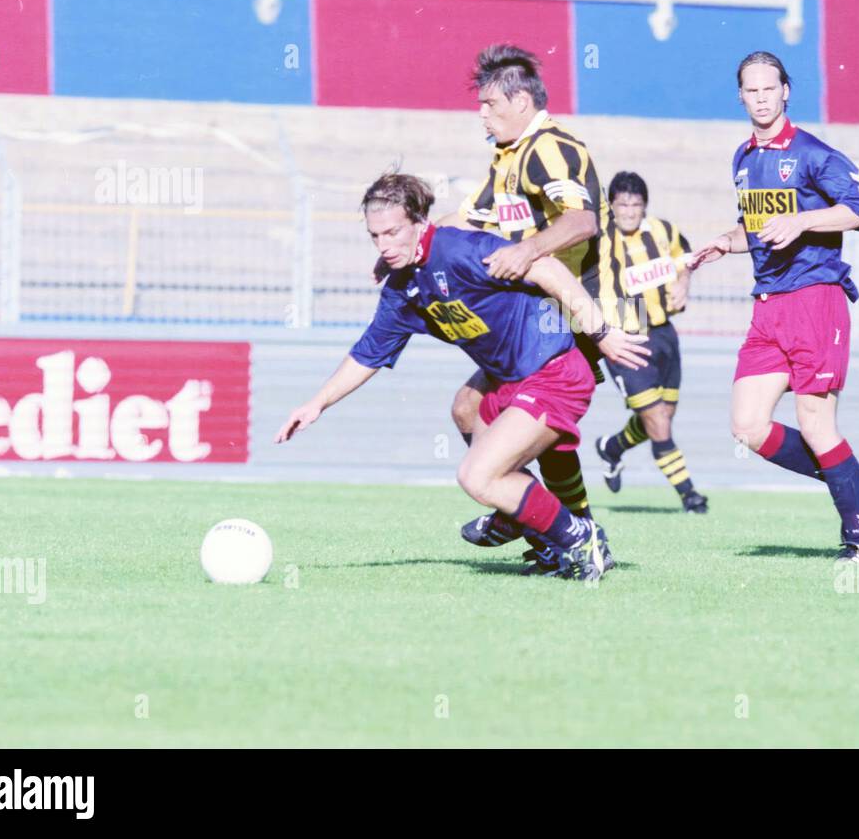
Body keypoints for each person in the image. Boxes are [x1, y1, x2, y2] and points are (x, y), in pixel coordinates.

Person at [278, 171, 648, 582]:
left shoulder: (460, 251)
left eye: (392, 232)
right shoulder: (403, 290)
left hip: (554, 371)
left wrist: (600, 331)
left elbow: (545, 268)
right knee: (466, 407)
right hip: (507, 377)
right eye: (375, 236)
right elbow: (367, 354)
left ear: (419, 221)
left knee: (477, 476)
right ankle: (523, 517)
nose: (384, 245)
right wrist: (317, 403)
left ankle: (578, 536)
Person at [688, 51, 859, 563]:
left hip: (815, 300)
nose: (760, 98)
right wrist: (724, 243)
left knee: (817, 424)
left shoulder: (814, 153)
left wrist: (802, 221)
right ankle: (850, 478)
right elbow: (754, 227)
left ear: (785, 91)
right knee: (748, 426)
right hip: (767, 307)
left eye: (768, 89)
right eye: (751, 91)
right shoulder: (743, 159)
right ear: (741, 96)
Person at [443, 44, 605, 533]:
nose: (482, 116)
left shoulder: (550, 147)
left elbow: (582, 220)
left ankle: (529, 513)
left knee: (522, 426)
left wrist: (528, 250)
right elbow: (464, 220)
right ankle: (544, 518)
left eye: (489, 105)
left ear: (521, 102)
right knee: (476, 410)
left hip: (566, 312)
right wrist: (413, 247)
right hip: (530, 315)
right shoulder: (508, 157)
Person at [589, 170, 708, 513]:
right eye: (622, 204)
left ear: (645, 207)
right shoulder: (598, 237)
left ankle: (612, 447)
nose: (628, 211)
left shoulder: (662, 230)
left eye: (635, 205)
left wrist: (684, 281)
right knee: (656, 418)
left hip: (663, 331)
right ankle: (690, 494)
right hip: (625, 335)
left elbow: (685, 258)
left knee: (664, 415)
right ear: (611, 206)